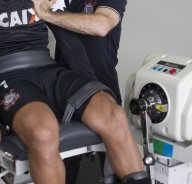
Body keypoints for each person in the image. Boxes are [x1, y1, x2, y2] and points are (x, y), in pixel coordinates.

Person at [0, 0, 150, 184]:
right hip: (5, 74)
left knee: (113, 114)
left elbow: (67, 38)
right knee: (44, 132)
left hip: (47, 68)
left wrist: (90, 86)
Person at [32, 0, 126, 182]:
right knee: (64, 169)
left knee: (115, 172)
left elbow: (101, 25)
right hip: (64, 94)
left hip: (103, 90)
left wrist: (49, 15)